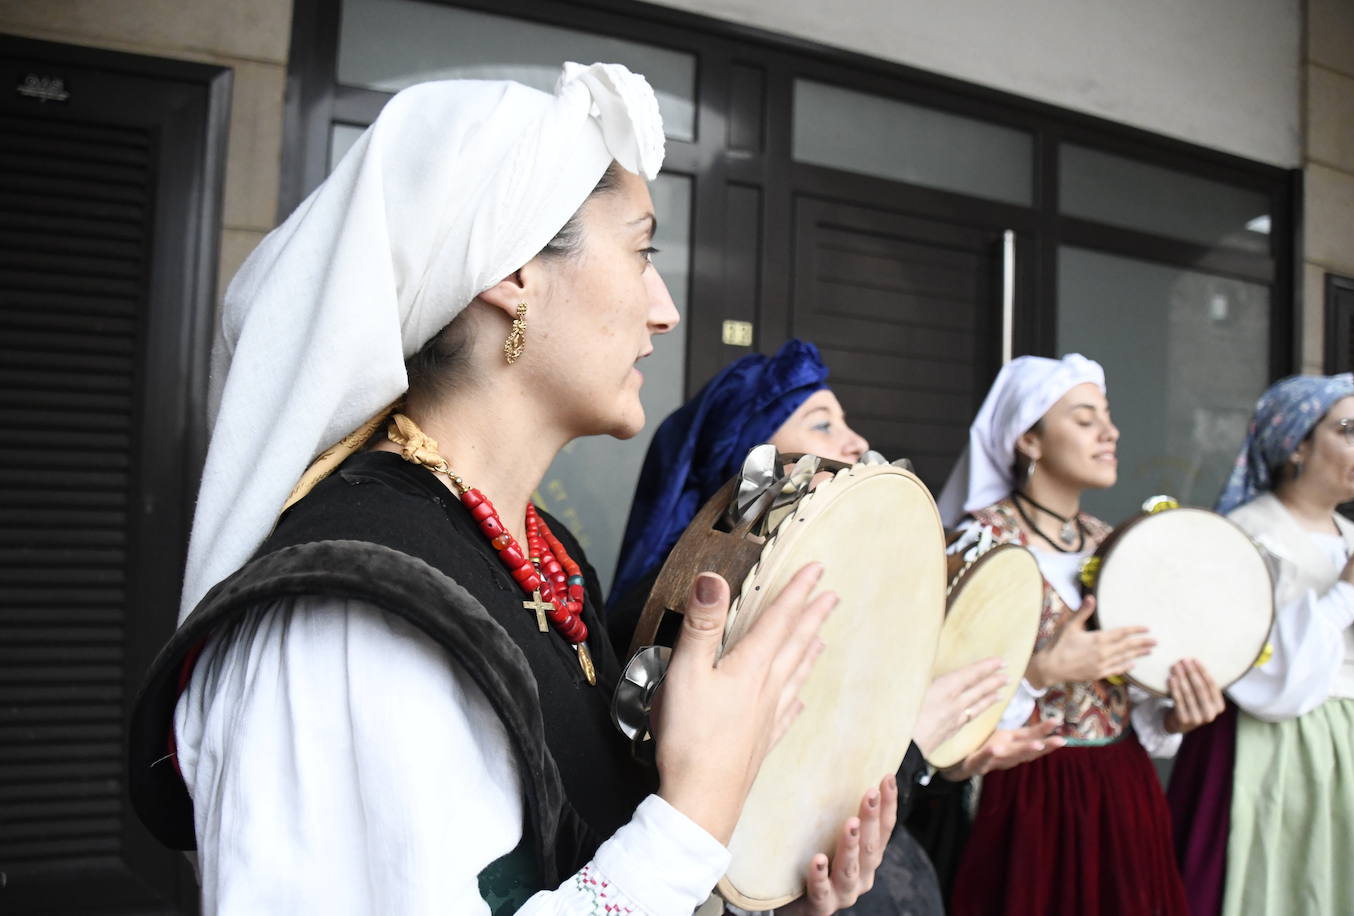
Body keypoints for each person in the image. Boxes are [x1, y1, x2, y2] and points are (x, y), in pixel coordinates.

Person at [127, 66, 898, 916]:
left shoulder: (545, 555)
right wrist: (692, 820)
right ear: (514, 272)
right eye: (641, 251)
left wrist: (750, 888)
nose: (665, 308)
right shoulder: (349, 614)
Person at [609, 341, 1064, 914]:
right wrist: (913, 741)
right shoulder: (671, 623)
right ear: (751, 467)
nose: (857, 444)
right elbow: (742, 833)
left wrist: (947, 763)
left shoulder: (853, 601)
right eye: (822, 424)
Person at [935, 354, 1225, 916]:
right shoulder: (978, 544)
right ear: (1030, 440)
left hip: (1123, 791)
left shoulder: (1113, 543)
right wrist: (1043, 671)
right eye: (1084, 418)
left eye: (1108, 417)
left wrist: (1173, 716)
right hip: (1025, 797)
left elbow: (1132, 698)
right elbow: (942, 707)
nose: (1109, 432)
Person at [1168, 373, 1354, 916]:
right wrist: (1345, 600)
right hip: (1273, 750)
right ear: (1298, 445)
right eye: (1350, 430)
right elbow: (1245, 664)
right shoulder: (1246, 535)